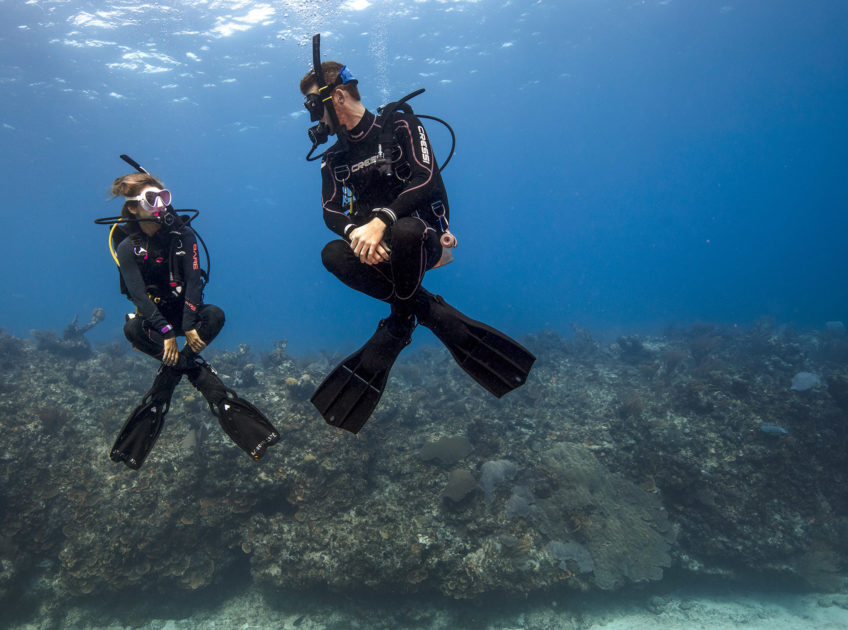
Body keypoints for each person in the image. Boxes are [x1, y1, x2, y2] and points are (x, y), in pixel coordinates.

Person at [299, 45, 537, 434]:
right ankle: (421, 312)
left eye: (312, 104)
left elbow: (425, 178)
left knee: (407, 229)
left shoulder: (402, 127)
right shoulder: (334, 159)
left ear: (336, 96)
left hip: (420, 239)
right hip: (378, 253)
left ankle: (397, 324)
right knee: (332, 254)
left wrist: (382, 219)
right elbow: (330, 211)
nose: (312, 115)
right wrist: (356, 233)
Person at [103, 168, 279, 468]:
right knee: (132, 329)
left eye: (163, 197)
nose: (160, 206)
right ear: (133, 206)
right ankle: (201, 377)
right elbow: (138, 297)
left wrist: (186, 324)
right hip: (156, 318)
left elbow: (194, 281)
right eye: (151, 199)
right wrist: (166, 331)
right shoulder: (126, 247)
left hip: (187, 312)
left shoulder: (182, 235)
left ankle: (167, 381)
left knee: (216, 315)